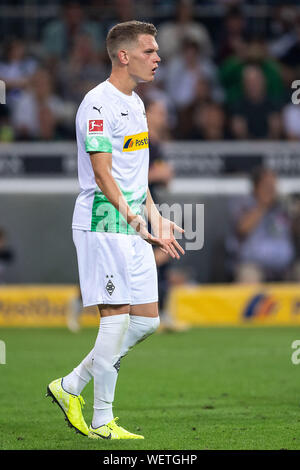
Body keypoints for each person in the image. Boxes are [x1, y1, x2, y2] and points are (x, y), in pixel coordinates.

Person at [47, 20, 185, 440]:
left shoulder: (138, 103)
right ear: (124, 56)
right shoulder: (96, 104)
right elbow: (104, 175)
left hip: (132, 223)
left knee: (145, 322)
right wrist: (137, 221)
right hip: (103, 223)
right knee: (115, 319)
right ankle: (102, 420)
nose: (158, 57)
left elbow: (134, 175)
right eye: (150, 51)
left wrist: (156, 217)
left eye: (157, 50)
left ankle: (70, 385)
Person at [225, 167, 295, 283]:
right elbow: (242, 228)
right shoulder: (243, 203)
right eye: (267, 186)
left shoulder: (282, 206)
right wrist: (262, 205)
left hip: (284, 267)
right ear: (256, 187)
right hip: (253, 266)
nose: (271, 190)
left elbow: (294, 231)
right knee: (248, 276)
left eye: (274, 186)